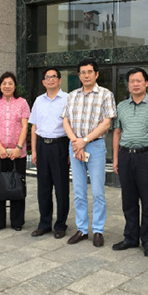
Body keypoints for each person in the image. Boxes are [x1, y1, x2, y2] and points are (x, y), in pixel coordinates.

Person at [61, 59, 117, 247]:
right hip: (75, 146)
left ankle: (98, 230)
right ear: (79, 75)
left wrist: (84, 141)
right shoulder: (72, 95)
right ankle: (82, 229)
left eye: (90, 72)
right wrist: (75, 142)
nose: (86, 75)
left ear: (96, 74)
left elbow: (106, 123)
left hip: (95, 146)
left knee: (98, 191)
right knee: (79, 191)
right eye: (83, 72)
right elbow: (65, 120)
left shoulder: (105, 95)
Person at [112, 67, 148, 257]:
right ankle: (130, 237)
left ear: (146, 83)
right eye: (131, 81)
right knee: (128, 199)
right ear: (128, 84)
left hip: (147, 156)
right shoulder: (121, 106)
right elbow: (117, 132)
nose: (135, 84)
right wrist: (116, 158)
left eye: (139, 81)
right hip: (126, 155)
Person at [0, 72, 30, 231]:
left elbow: (25, 126)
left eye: (10, 83)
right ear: (0, 85)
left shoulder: (22, 102)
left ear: (15, 86)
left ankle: (17, 222)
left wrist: (18, 147)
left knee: (17, 185)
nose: (7, 86)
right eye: (4, 83)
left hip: (17, 153)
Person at [29, 67, 70, 239]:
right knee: (43, 188)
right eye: (47, 77)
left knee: (61, 188)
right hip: (42, 146)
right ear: (43, 82)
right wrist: (34, 150)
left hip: (60, 145)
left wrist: (70, 151)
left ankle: (60, 224)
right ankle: (44, 223)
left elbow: (72, 126)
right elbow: (34, 126)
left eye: (54, 77)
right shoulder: (39, 100)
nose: (51, 79)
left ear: (59, 80)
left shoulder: (68, 99)